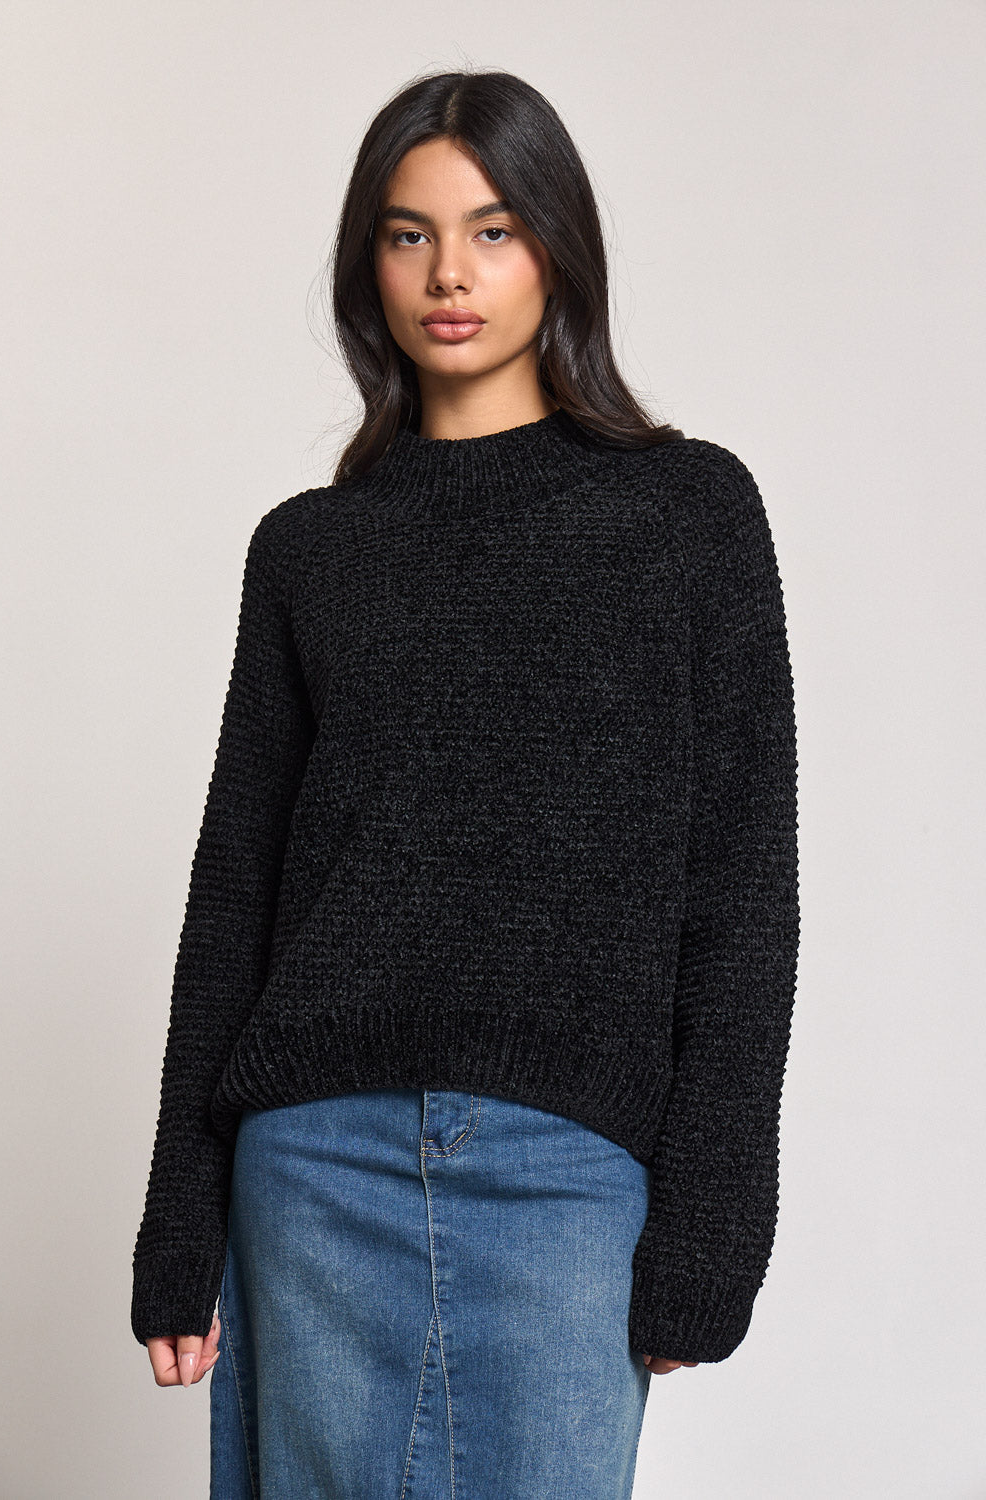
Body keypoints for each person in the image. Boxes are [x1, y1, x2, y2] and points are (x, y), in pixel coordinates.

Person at [131, 68, 800, 1499]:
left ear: (558, 249)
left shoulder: (687, 513)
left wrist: (715, 1221)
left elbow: (744, 882)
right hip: (311, 1166)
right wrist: (179, 1221)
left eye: (494, 231)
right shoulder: (309, 550)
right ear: (365, 265)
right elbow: (236, 893)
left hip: (566, 1170)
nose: (450, 274)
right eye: (409, 234)